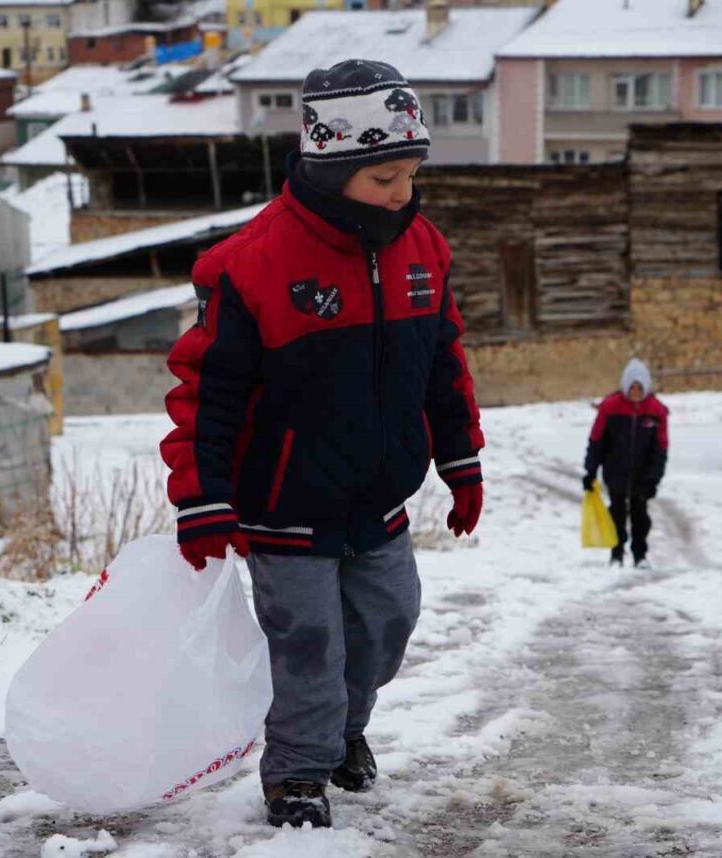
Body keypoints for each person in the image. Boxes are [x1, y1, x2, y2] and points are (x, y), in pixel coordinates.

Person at [159, 59, 484, 830]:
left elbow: (444, 360)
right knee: (308, 645)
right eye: (384, 179)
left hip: (379, 498)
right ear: (329, 165)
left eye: (410, 174)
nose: (403, 194)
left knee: (388, 623)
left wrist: (460, 457)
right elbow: (206, 391)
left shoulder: (424, 249)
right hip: (284, 503)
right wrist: (202, 498)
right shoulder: (254, 264)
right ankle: (298, 774)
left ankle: (344, 731)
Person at [582, 358, 669, 568]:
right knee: (617, 513)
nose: (636, 392)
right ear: (625, 386)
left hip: (643, 474)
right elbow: (596, 441)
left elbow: (661, 448)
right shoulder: (610, 408)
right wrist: (591, 470)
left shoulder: (656, 411)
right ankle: (617, 553)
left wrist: (654, 478)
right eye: (632, 387)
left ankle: (640, 555)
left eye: (640, 387)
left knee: (640, 515)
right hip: (615, 472)